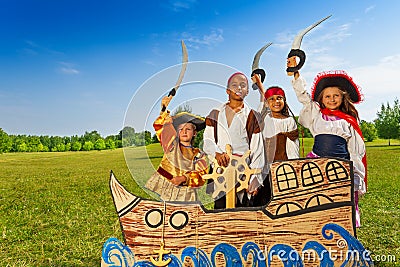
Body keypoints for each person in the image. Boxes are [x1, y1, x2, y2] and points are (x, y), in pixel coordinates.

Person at [290, 69, 367, 227]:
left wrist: (357, 176)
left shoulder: (348, 121)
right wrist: (296, 74)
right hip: (317, 162)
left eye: (336, 95)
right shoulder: (316, 114)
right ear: (322, 99)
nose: (332, 99)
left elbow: (355, 151)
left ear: (342, 97)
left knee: (339, 200)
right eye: (327, 96)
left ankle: (343, 234)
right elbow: (304, 97)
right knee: (317, 199)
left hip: (341, 166)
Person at [203, 72, 265, 209]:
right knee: (220, 210)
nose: (239, 88)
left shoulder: (252, 116)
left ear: (247, 91)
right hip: (221, 170)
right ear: (227, 90)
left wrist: (255, 178)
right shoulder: (215, 113)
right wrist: (216, 154)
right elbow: (207, 140)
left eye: (243, 85)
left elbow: (258, 149)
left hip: (243, 171)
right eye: (234, 85)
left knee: (243, 212)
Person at [145, 96, 208, 202]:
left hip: (186, 194)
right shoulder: (171, 144)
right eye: (181, 129)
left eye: (188, 129)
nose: (184, 132)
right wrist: (164, 110)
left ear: (194, 133)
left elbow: (201, 175)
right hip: (167, 190)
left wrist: (184, 178)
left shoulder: (199, 154)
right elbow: (161, 126)